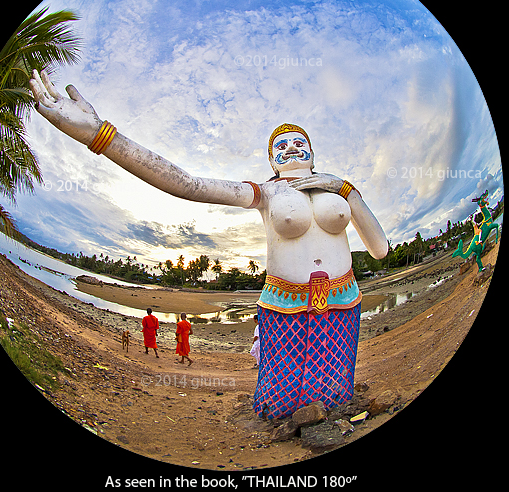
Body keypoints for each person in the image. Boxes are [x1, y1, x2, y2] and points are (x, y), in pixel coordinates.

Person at [30, 70, 388, 419]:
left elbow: (380, 249)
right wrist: (99, 135)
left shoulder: (338, 187)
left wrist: (345, 189)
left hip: (343, 299)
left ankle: (333, 417)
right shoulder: (266, 192)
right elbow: (189, 185)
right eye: (281, 146)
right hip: (284, 305)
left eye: (300, 144)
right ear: (270, 160)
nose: (292, 149)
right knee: (282, 401)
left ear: (312, 150)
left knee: (336, 390)